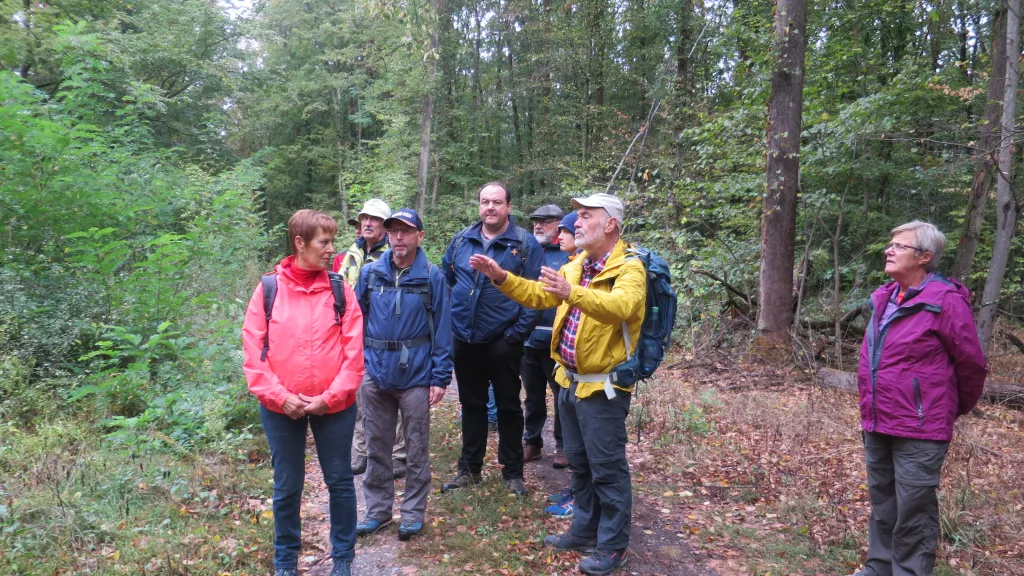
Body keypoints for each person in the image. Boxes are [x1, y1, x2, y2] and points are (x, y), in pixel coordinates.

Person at [469, 193, 644, 575]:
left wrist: (573, 293)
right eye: (577, 216)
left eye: (585, 216)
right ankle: (583, 529)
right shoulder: (578, 265)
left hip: (604, 388)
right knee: (579, 464)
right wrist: (501, 277)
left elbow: (621, 308)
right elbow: (537, 295)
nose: (576, 223)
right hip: (570, 381)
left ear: (610, 224)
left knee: (607, 469)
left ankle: (613, 546)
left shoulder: (630, 268)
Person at [851, 221, 987, 576]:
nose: (889, 250)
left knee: (913, 510)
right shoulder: (883, 298)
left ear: (924, 257)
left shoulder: (945, 301)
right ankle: (878, 568)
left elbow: (972, 365)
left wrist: (943, 410)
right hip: (877, 419)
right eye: (891, 244)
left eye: (900, 246)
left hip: (921, 427)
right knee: (883, 503)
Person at [242, 209, 364, 576]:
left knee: (339, 481)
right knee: (287, 485)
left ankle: (343, 558)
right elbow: (254, 356)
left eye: (332, 241)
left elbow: (354, 355)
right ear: (300, 243)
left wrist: (330, 397)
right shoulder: (269, 289)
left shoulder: (340, 290)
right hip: (280, 408)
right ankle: (285, 561)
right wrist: (281, 398)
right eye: (324, 242)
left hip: (334, 406)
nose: (331, 249)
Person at [354, 208, 453, 541]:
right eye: (394, 230)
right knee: (376, 445)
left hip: (416, 376)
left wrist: (439, 377)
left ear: (419, 237)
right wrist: (356, 367)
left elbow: (443, 329)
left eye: (406, 231)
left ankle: (412, 513)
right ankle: (377, 511)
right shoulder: (370, 274)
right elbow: (355, 321)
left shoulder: (432, 277)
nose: (399, 237)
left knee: (416, 448)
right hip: (375, 374)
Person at [440, 181, 543, 496]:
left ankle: (513, 473)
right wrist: (453, 325)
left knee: (509, 408)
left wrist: (515, 335)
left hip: (503, 342)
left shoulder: (524, 244)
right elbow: (448, 280)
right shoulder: (462, 240)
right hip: (465, 339)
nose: (490, 207)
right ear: (479, 206)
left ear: (508, 207)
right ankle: (469, 470)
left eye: (497, 202)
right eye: (485, 201)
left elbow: (536, 294)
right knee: (472, 406)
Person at [335, 199, 408, 478]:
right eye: (364, 218)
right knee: (359, 395)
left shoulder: (394, 255)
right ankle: (363, 451)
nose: (367, 223)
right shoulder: (350, 254)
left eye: (375, 219)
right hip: (353, 334)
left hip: (385, 334)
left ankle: (398, 454)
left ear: (385, 227)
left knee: (393, 392)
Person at [522, 204, 568, 464]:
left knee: (563, 396)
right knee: (532, 397)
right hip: (528, 339)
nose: (538, 226)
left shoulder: (570, 254)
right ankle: (532, 443)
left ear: (560, 225)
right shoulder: (527, 251)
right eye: (535, 222)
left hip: (557, 341)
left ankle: (564, 447)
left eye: (544, 221)